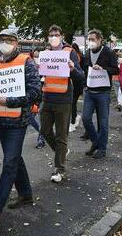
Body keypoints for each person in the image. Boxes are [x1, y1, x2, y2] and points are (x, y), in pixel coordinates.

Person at [0, 29, 41, 227]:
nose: (6, 43)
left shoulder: (27, 61)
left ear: (16, 43)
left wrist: (11, 101)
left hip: (18, 121)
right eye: (2, 40)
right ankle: (25, 194)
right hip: (1, 121)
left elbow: (35, 92)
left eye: (10, 40)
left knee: (9, 163)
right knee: (15, 158)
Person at [40, 25, 84, 183]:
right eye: (51, 34)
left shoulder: (69, 52)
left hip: (64, 99)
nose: (53, 37)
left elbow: (81, 77)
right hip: (47, 98)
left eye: (56, 34)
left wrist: (72, 69)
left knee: (61, 136)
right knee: (44, 131)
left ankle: (60, 169)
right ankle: (62, 151)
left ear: (62, 36)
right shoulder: (45, 54)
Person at [82, 29, 119, 159]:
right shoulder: (87, 53)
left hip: (103, 93)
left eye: (93, 39)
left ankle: (102, 149)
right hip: (90, 92)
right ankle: (96, 142)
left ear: (99, 40)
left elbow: (116, 70)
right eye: (89, 39)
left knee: (103, 122)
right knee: (86, 119)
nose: (91, 42)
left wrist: (104, 69)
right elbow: (84, 70)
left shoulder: (108, 52)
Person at [70, 42, 85, 132]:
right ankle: (74, 118)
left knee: (73, 103)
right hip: (77, 83)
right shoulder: (81, 56)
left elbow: (80, 72)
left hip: (76, 83)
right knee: (73, 103)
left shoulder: (77, 57)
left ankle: (73, 121)